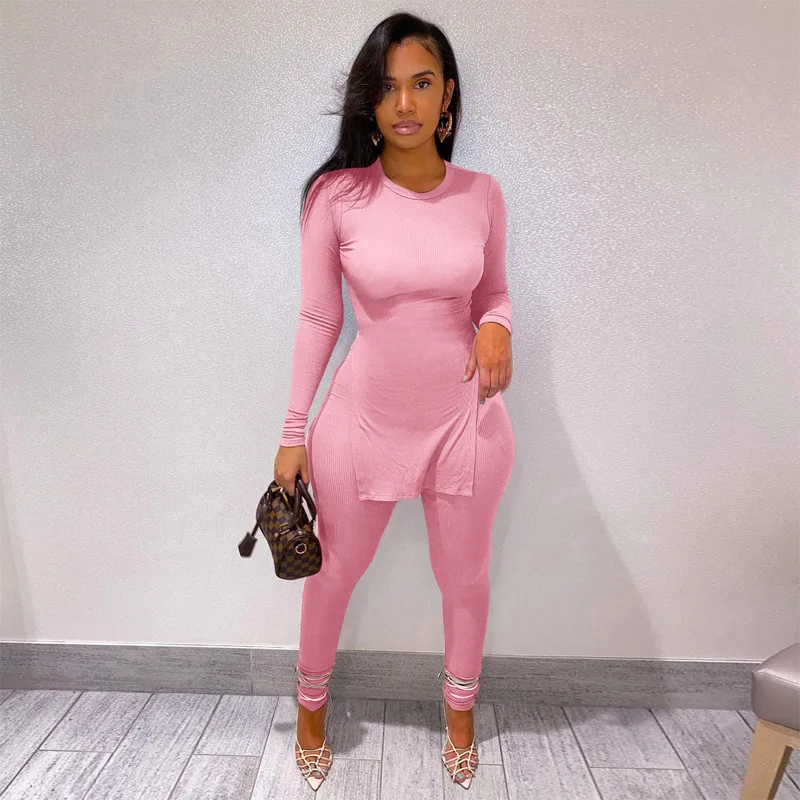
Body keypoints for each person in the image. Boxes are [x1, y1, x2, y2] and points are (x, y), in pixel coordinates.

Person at [273, 12, 515, 792]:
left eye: (421, 83)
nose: (404, 103)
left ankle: (460, 717)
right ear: (368, 102)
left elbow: (493, 293)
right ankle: (311, 711)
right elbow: (320, 318)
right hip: (362, 421)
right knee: (333, 571)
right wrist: (293, 431)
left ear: (448, 95)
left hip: (464, 422)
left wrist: (498, 325)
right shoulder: (337, 195)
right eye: (386, 87)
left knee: (465, 579)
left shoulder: (482, 195)